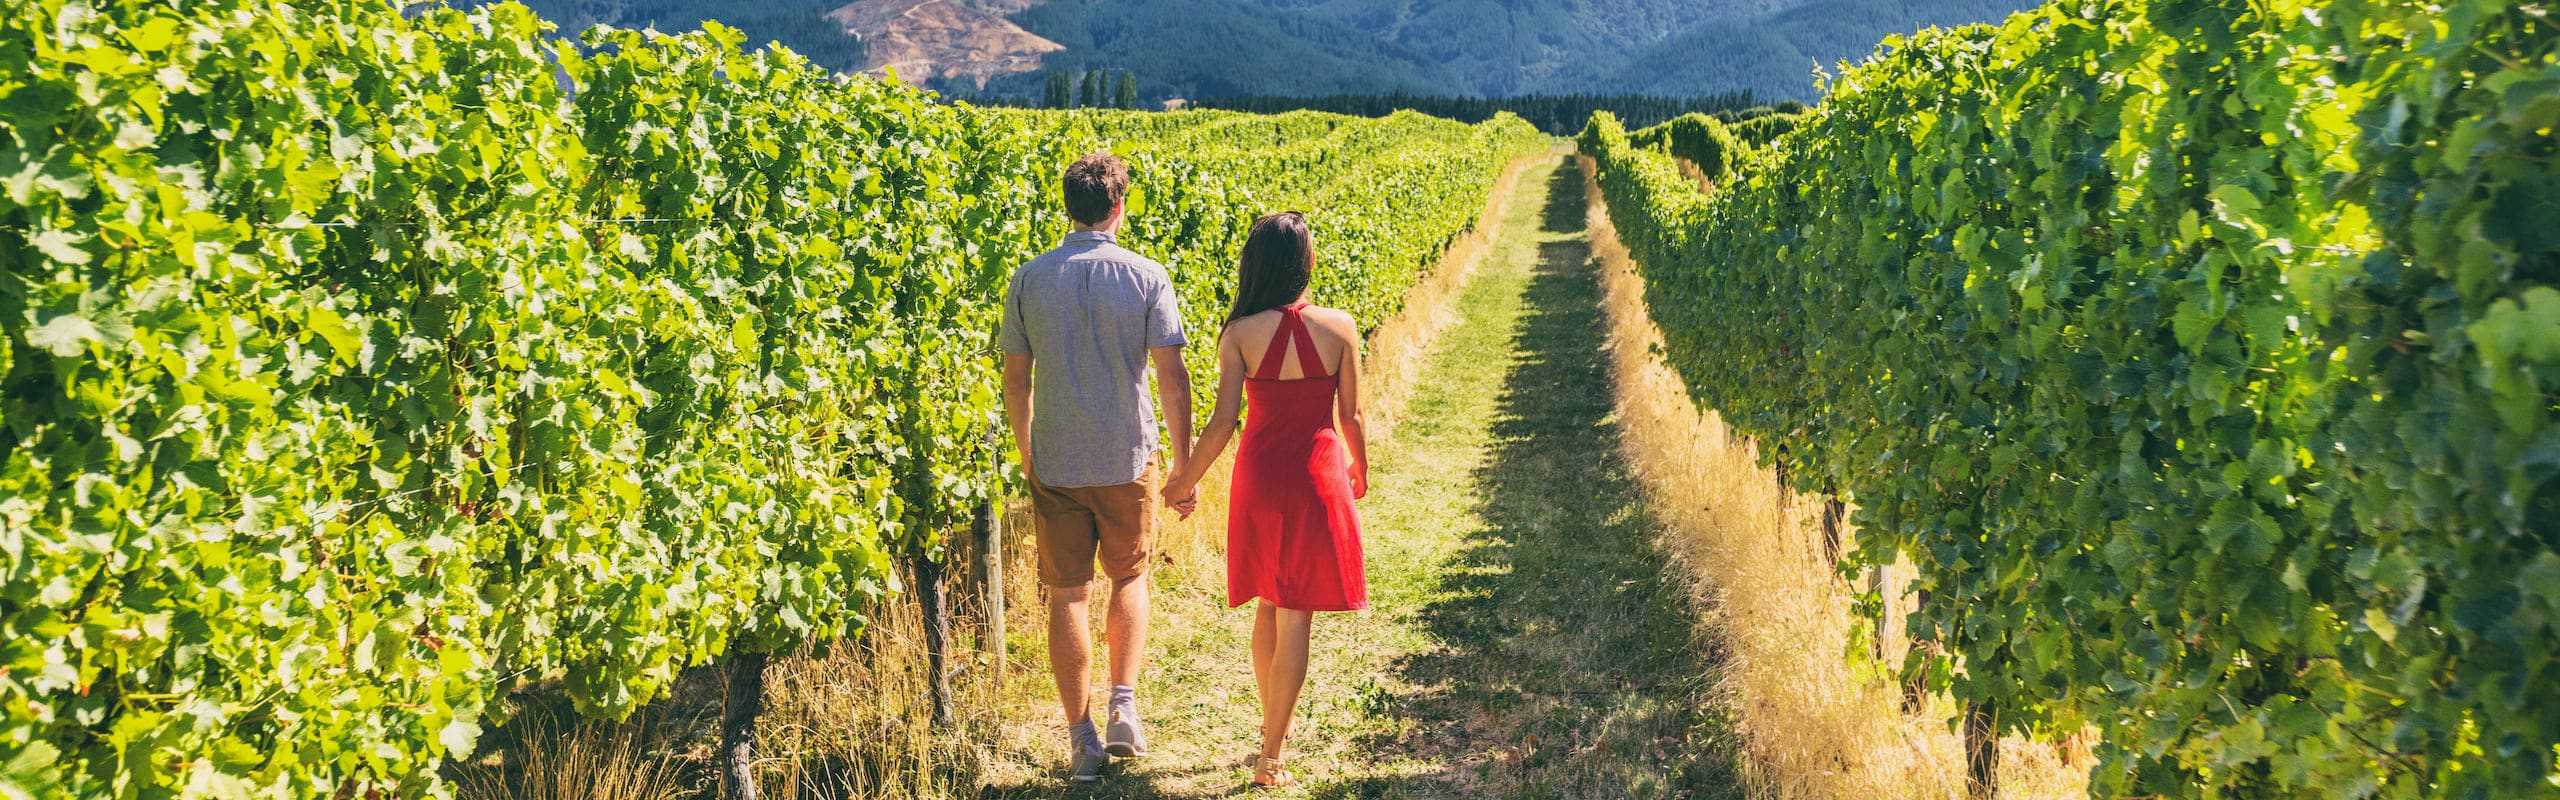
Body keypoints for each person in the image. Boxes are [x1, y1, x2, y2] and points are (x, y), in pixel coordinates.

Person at [1000, 152, 1195, 783]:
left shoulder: (1029, 279)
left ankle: (1081, 738)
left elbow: (1016, 379)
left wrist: (1030, 453)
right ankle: (1123, 710)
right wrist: (1184, 467)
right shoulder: (1146, 277)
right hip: (1126, 456)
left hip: (1056, 457)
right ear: (1120, 204)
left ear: (1068, 206)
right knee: (1130, 578)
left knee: (1067, 593)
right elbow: (1172, 378)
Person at [1161, 211, 1370, 789]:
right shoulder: (1340, 327)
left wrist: (1184, 481)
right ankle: (1272, 751)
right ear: (1306, 263)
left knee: (1268, 603)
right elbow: (1350, 414)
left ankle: (1267, 727)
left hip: (1259, 478)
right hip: (1315, 474)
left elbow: (1223, 422)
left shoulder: (1239, 333)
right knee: (1296, 612)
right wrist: (1361, 466)